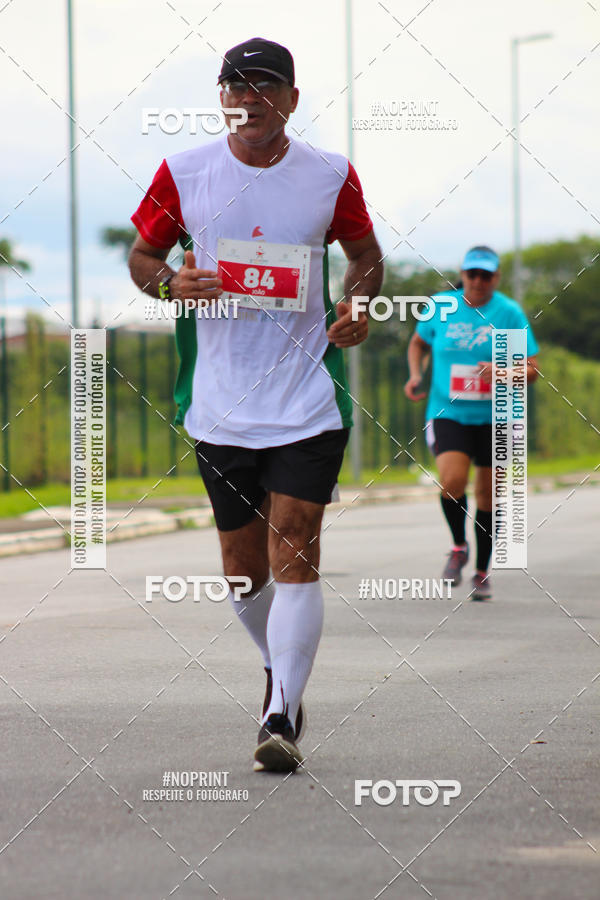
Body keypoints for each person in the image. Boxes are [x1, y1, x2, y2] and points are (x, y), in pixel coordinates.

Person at [128, 37, 383, 771]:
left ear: (292, 100)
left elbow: (366, 257)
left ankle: (279, 714)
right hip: (220, 400)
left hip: (305, 396)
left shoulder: (329, 175)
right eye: (235, 87)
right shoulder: (184, 173)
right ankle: (284, 669)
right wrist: (170, 283)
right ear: (222, 98)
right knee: (244, 568)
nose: (249, 99)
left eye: (265, 86)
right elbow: (144, 260)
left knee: (296, 544)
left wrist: (356, 305)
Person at [404, 246, 539, 601]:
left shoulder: (507, 313)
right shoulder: (441, 308)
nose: (477, 281)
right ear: (462, 275)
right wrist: (415, 375)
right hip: (448, 412)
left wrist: (502, 372)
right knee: (451, 481)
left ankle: (482, 571)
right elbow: (418, 343)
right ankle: (459, 546)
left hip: (497, 416)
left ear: (496, 278)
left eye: (486, 275)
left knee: (487, 495)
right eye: (472, 274)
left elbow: (533, 370)